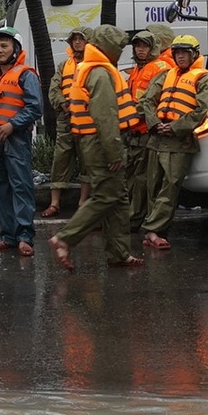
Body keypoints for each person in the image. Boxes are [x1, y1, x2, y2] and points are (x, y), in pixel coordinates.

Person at [48, 25, 142, 271]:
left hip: (94, 140)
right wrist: (114, 152)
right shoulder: (100, 72)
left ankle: (119, 253)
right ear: (108, 47)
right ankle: (65, 238)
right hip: (101, 143)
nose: (121, 52)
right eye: (119, 47)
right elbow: (105, 116)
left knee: (119, 197)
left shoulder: (89, 68)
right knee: (106, 195)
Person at [138, 35, 208, 249]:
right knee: (152, 186)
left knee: (169, 187)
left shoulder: (203, 79)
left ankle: (154, 231)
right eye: (177, 52)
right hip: (157, 138)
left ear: (194, 54)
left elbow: (203, 110)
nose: (180, 56)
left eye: (184, 52)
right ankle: (154, 231)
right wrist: (155, 124)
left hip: (179, 141)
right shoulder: (166, 75)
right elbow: (147, 100)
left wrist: (174, 127)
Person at [0, 26, 43, 256]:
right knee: (0, 189)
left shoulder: (26, 74)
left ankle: (25, 236)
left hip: (16, 139)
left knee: (21, 186)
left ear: (15, 49)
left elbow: (35, 107)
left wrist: (11, 125)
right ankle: (8, 236)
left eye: (4, 46)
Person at [123, 28, 175, 230]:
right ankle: (133, 217)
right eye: (137, 45)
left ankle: (137, 219)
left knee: (144, 180)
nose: (140, 49)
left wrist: (127, 113)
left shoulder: (159, 68)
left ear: (153, 47)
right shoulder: (138, 69)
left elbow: (148, 102)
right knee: (133, 179)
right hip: (133, 133)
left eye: (145, 46)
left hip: (146, 133)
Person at [41, 28, 88, 219]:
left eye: (81, 39)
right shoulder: (63, 66)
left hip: (87, 119)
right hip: (66, 119)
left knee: (87, 161)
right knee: (60, 158)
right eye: (74, 39)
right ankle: (54, 203)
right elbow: (54, 89)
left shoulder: (94, 65)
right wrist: (62, 103)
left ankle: (83, 203)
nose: (77, 42)